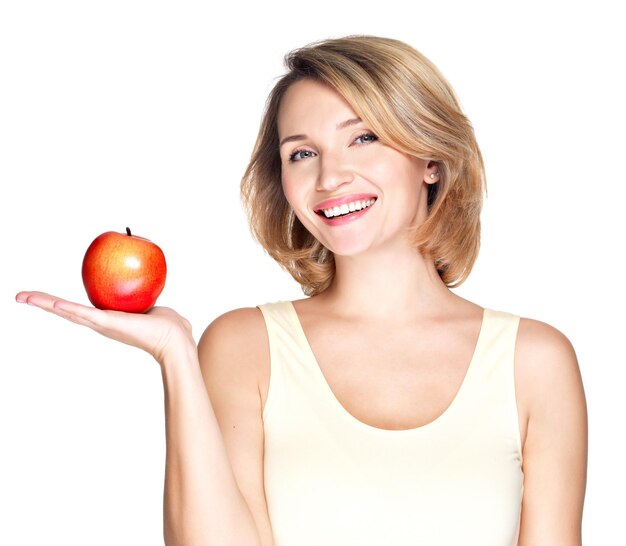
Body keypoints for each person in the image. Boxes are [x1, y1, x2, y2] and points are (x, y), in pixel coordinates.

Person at [16, 35, 587, 545]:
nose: (330, 176)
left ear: (431, 159)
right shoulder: (245, 345)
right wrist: (175, 358)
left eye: (363, 137)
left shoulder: (534, 361)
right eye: (302, 153)